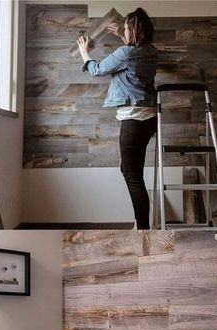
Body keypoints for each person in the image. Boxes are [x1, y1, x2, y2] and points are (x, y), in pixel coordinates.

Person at [77, 8, 157, 229]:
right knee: (130, 171)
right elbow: (134, 58)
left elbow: (98, 70)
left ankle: (142, 229)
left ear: (134, 29)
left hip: (133, 118)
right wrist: (122, 36)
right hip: (148, 119)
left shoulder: (125, 53)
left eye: (126, 27)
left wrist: (84, 52)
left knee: (133, 177)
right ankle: (140, 222)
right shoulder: (151, 50)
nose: (123, 29)